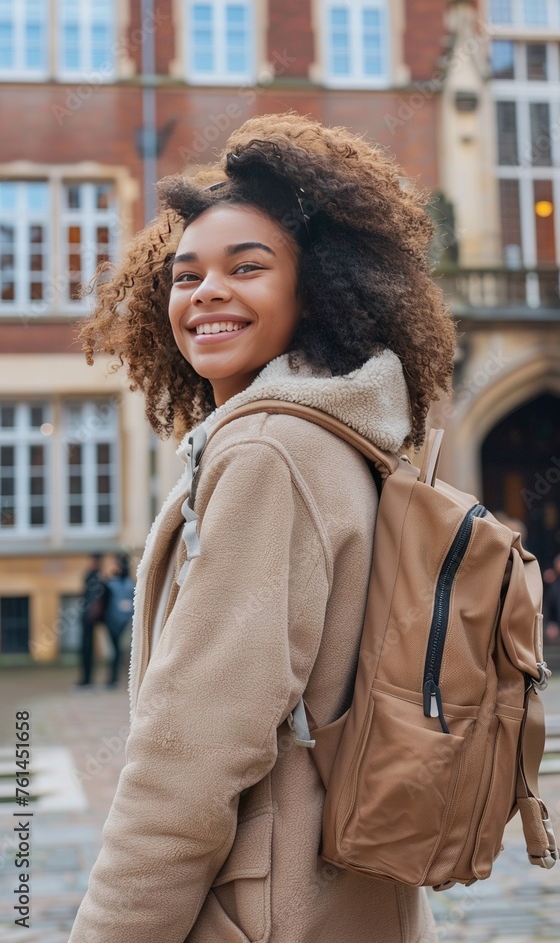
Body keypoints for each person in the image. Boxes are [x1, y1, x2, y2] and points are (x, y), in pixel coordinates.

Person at [69, 113, 455, 942]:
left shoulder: (270, 455)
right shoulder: (346, 440)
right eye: (185, 275)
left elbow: (191, 756)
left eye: (247, 267)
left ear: (312, 290)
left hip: (269, 913)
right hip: (348, 902)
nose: (206, 291)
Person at [75, 552, 107, 688]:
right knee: (85, 649)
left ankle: (87, 679)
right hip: (86, 617)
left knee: (88, 648)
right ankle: (86, 678)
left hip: (89, 618)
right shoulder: (92, 576)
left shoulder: (98, 577)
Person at [103, 553, 135, 688]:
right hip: (112, 621)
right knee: (114, 651)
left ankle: (120, 679)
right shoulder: (112, 582)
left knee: (122, 651)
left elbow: (131, 605)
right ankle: (113, 678)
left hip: (124, 622)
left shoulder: (129, 584)